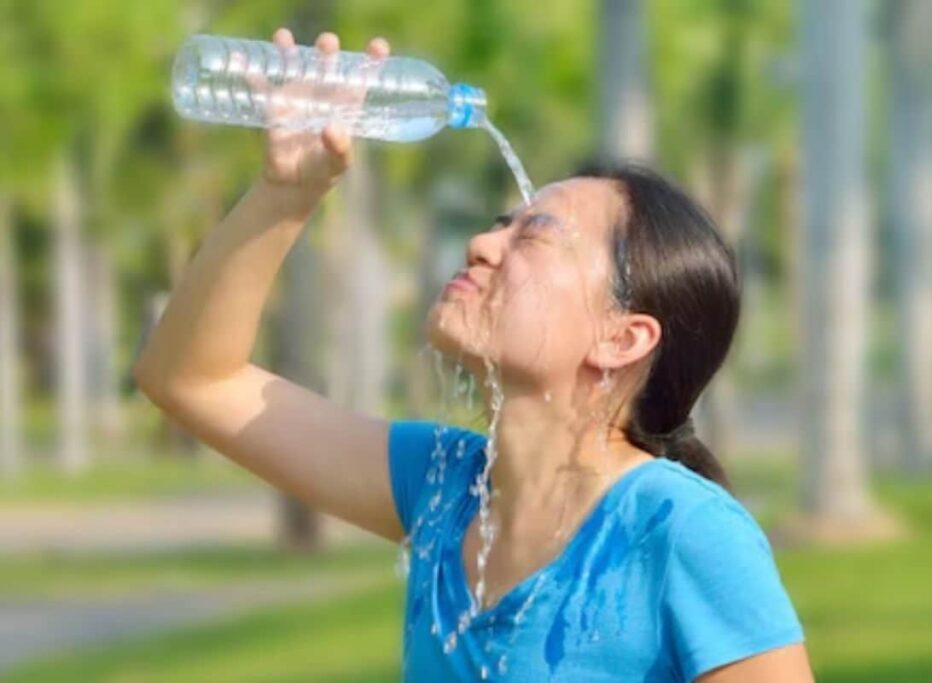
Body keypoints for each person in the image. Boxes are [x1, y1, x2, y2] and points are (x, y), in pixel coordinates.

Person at [133, 27, 814, 683]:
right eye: (499, 226)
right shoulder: (444, 487)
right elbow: (190, 378)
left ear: (621, 338)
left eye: (533, 237)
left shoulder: (683, 531)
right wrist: (285, 195)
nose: (482, 246)